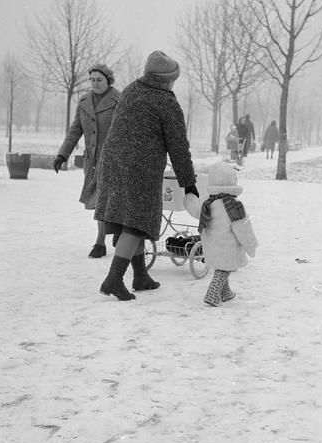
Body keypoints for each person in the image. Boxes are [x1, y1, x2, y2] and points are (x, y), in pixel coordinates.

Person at [94, 50, 198, 301]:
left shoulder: (131, 89)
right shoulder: (166, 100)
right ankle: (114, 279)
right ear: (167, 79)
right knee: (136, 223)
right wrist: (189, 183)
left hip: (113, 164)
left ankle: (140, 276)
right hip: (139, 169)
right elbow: (178, 147)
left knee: (133, 220)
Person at [54, 64, 120, 258]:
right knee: (100, 200)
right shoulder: (84, 102)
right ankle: (101, 241)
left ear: (108, 80)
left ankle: (115, 233)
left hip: (114, 161)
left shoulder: (119, 100)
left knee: (113, 200)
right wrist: (62, 154)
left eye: (99, 80)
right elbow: (75, 130)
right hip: (92, 162)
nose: (95, 84)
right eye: (92, 80)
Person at [183, 162, 258, 307]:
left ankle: (225, 292)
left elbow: (194, 208)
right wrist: (251, 245)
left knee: (221, 266)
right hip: (228, 246)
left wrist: (189, 197)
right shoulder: (234, 205)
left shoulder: (207, 202)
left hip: (211, 245)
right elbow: (244, 228)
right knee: (224, 269)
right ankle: (213, 294)